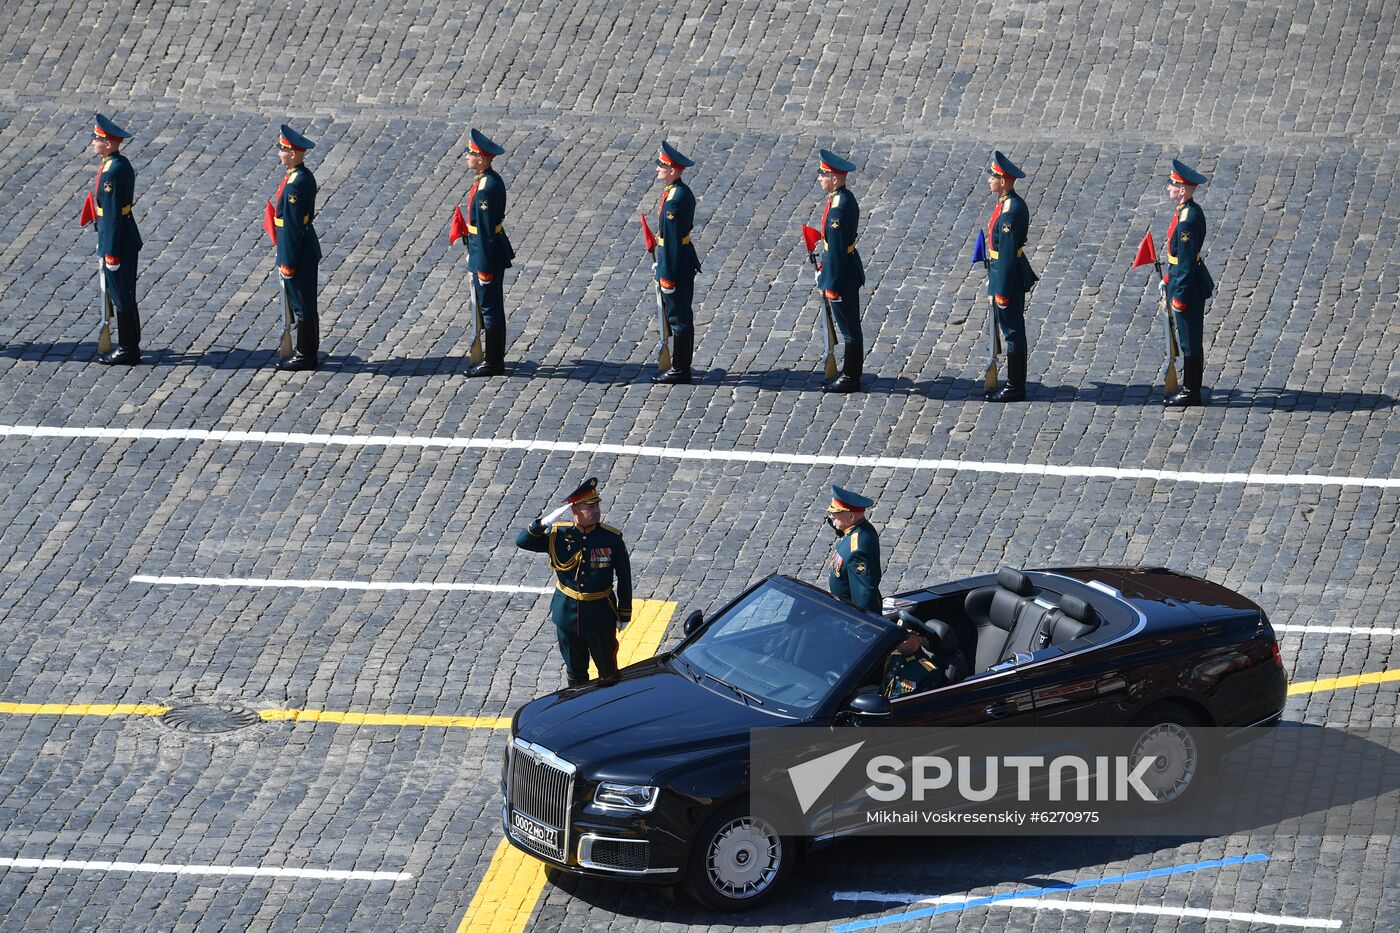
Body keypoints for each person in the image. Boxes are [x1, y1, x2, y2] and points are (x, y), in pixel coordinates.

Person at [516, 477, 633, 687]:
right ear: (575, 510)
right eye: (589, 506)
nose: (596, 510)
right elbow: (522, 541)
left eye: (597, 505)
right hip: (567, 613)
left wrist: (624, 612)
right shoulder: (559, 535)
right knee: (575, 673)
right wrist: (542, 523)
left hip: (600, 613)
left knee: (608, 671)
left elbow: (624, 577)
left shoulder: (611, 539)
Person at [84, 113, 143, 365]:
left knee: (122, 295)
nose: (93, 142)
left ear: (108, 143)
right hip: (120, 237)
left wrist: (110, 252)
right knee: (124, 294)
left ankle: (128, 349)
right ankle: (131, 345)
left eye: (97, 139)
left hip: (118, 242)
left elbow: (113, 216)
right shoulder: (115, 164)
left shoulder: (112, 173)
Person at [984, 150, 1038, 402]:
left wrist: (1001, 291)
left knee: (1013, 332)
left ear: (1004, 181)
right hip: (1000, 273)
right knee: (1010, 330)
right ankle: (1014, 383)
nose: (989, 180)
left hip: (1007, 277)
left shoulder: (1010, 212)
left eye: (993, 176)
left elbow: (1005, 255)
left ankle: (1015, 386)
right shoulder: (1006, 203)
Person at [461, 129, 515, 377]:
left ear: (481, 158)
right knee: (492, 306)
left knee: (490, 308)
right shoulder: (488, 180)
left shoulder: (485, 190)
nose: (467, 157)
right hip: (484, 247)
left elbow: (484, 232)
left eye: (471, 153)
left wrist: (482, 267)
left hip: (487, 254)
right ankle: (495, 359)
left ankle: (493, 362)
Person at [1161, 159, 1215, 407]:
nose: (1169, 187)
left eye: (1173, 184)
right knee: (1188, 338)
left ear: (1183, 189)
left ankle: (1191, 390)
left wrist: (1178, 296)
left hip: (1188, 288)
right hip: (1183, 280)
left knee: (1189, 340)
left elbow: (1185, 264)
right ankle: (1191, 386)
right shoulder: (1188, 211)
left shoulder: (1186, 222)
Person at [815, 149, 866, 393]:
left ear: (835, 178)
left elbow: (836, 250)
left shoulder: (838, 210)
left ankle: (850, 377)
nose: (820, 178)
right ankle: (850, 373)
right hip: (844, 268)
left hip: (842, 275)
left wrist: (831, 284)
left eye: (824, 174)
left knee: (849, 329)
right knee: (850, 326)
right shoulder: (841, 198)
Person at [271, 125, 322, 371]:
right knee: (305, 303)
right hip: (303, 246)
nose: (280, 152)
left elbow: (291, 227)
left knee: (302, 305)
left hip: (297, 252)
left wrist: (288, 262)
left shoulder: (294, 185)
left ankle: (305, 354)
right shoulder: (299, 176)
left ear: (293, 153)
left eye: (282, 149)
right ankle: (308, 351)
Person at [651, 141, 701, 385]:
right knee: (682, 314)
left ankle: (680, 369)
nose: (658, 168)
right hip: (683, 258)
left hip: (676, 263)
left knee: (678, 317)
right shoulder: (680, 192)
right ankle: (682, 365)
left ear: (672, 170)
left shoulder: (673, 201)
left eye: (662, 165)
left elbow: (670, 242)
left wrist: (666, 275)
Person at [826, 484, 882, 613]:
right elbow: (841, 530)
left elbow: (864, 595)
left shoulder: (857, 551)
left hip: (847, 614)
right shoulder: (856, 528)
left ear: (851, 517)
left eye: (836, 513)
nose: (831, 516)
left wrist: (861, 626)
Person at [881, 616, 944, 698]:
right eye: (898, 634)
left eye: (905, 637)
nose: (899, 639)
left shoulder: (928, 672)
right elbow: (882, 691)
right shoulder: (893, 658)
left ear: (918, 640)